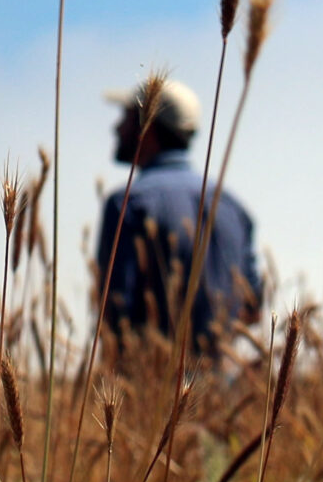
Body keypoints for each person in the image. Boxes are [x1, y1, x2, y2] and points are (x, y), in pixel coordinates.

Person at [94, 77, 263, 356]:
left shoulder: (128, 204)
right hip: (223, 390)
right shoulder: (234, 208)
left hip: (149, 388)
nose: (116, 128)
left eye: (125, 117)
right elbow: (252, 307)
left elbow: (116, 313)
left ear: (146, 128)